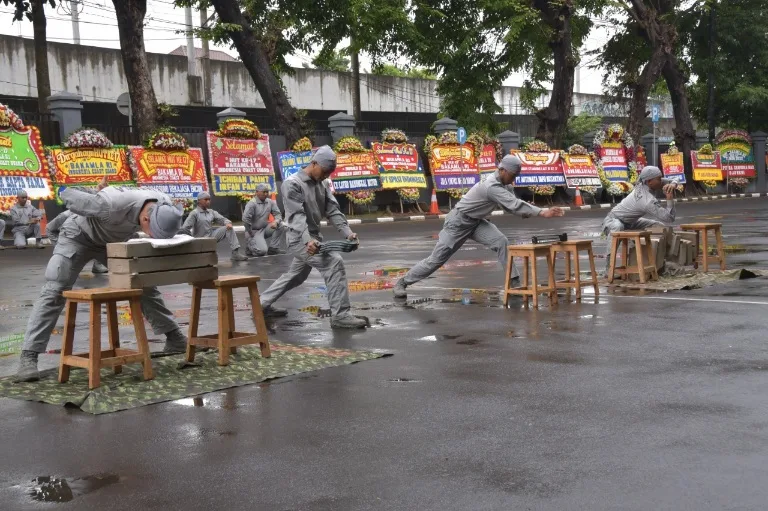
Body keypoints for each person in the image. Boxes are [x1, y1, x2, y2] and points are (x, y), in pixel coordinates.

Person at [14, 185, 189, 382]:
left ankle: (175, 338)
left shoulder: (163, 203)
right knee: (55, 288)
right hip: (78, 237)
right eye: (152, 232)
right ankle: (28, 356)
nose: (151, 236)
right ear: (146, 218)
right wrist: (93, 196)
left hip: (114, 242)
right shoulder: (110, 205)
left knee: (142, 283)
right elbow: (66, 192)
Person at [393, 155, 565, 298]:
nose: (514, 179)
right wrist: (542, 212)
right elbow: (513, 204)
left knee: (501, 241)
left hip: (476, 222)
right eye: (512, 175)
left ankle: (514, 284)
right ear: (502, 170)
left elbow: (510, 205)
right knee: (436, 260)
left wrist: (527, 213)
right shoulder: (491, 186)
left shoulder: (505, 183)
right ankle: (402, 282)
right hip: (458, 223)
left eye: (516, 176)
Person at [258, 145, 368, 329]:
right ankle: (341, 315)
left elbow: (332, 210)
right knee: (334, 263)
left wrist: (348, 233)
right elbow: (297, 217)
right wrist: (308, 241)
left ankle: (261, 303)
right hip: (299, 239)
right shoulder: (292, 184)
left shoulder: (323, 184)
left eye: (329, 173)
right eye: (325, 171)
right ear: (314, 163)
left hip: (314, 239)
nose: (326, 176)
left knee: (296, 276)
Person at [601, 165, 677, 272]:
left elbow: (674, 179)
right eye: (659, 179)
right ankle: (608, 268)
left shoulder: (643, 182)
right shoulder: (647, 201)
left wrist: (672, 184)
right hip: (614, 220)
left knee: (659, 226)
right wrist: (669, 198)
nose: (661, 182)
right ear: (649, 181)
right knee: (618, 226)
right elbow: (669, 218)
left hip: (631, 222)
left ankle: (663, 259)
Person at [179, 192, 247, 261]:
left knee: (229, 228)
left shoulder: (211, 212)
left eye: (209, 199)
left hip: (211, 236)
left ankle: (235, 253)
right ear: (199, 201)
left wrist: (227, 223)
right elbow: (185, 228)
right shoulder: (194, 213)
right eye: (205, 199)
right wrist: (192, 240)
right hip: (200, 240)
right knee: (210, 259)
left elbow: (223, 219)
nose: (208, 201)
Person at [242, 183, 286, 256]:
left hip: (264, 229)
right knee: (261, 252)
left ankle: (273, 248)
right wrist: (249, 232)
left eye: (267, 192)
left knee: (280, 225)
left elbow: (278, 214)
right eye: (263, 192)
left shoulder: (270, 202)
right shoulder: (252, 204)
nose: (266, 194)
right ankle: (250, 246)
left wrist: (276, 221)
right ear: (257, 192)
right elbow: (245, 219)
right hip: (253, 232)